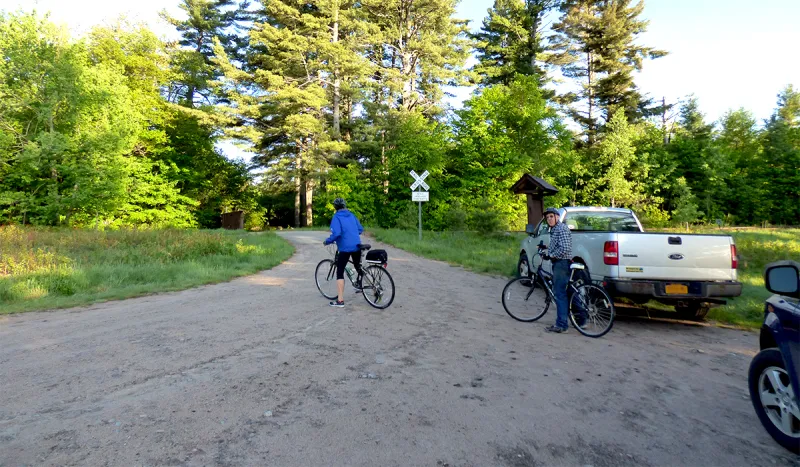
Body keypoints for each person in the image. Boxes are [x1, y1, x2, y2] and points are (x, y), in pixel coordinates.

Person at [323, 198, 364, 308]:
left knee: (340, 271)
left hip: (345, 248)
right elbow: (360, 229)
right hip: (357, 245)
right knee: (357, 266)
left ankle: (340, 301)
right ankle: (360, 285)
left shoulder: (336, 217)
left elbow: (336, 233)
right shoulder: (351, 215)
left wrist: (328, 241)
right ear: (345, 205)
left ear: (335, 207)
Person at [541, 207, 574, 333]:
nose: (549, 219)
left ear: (557, 217)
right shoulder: (554, 230)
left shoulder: (561, 228)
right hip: (559, 263)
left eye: (551, 216)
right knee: (569, 292)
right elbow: (558, 244)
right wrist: (546, 247)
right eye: (547, 217)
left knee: (559, 293)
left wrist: (551, 255)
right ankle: (581, 320)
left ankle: (561, 324)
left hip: (562, 264)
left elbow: (564, 248)